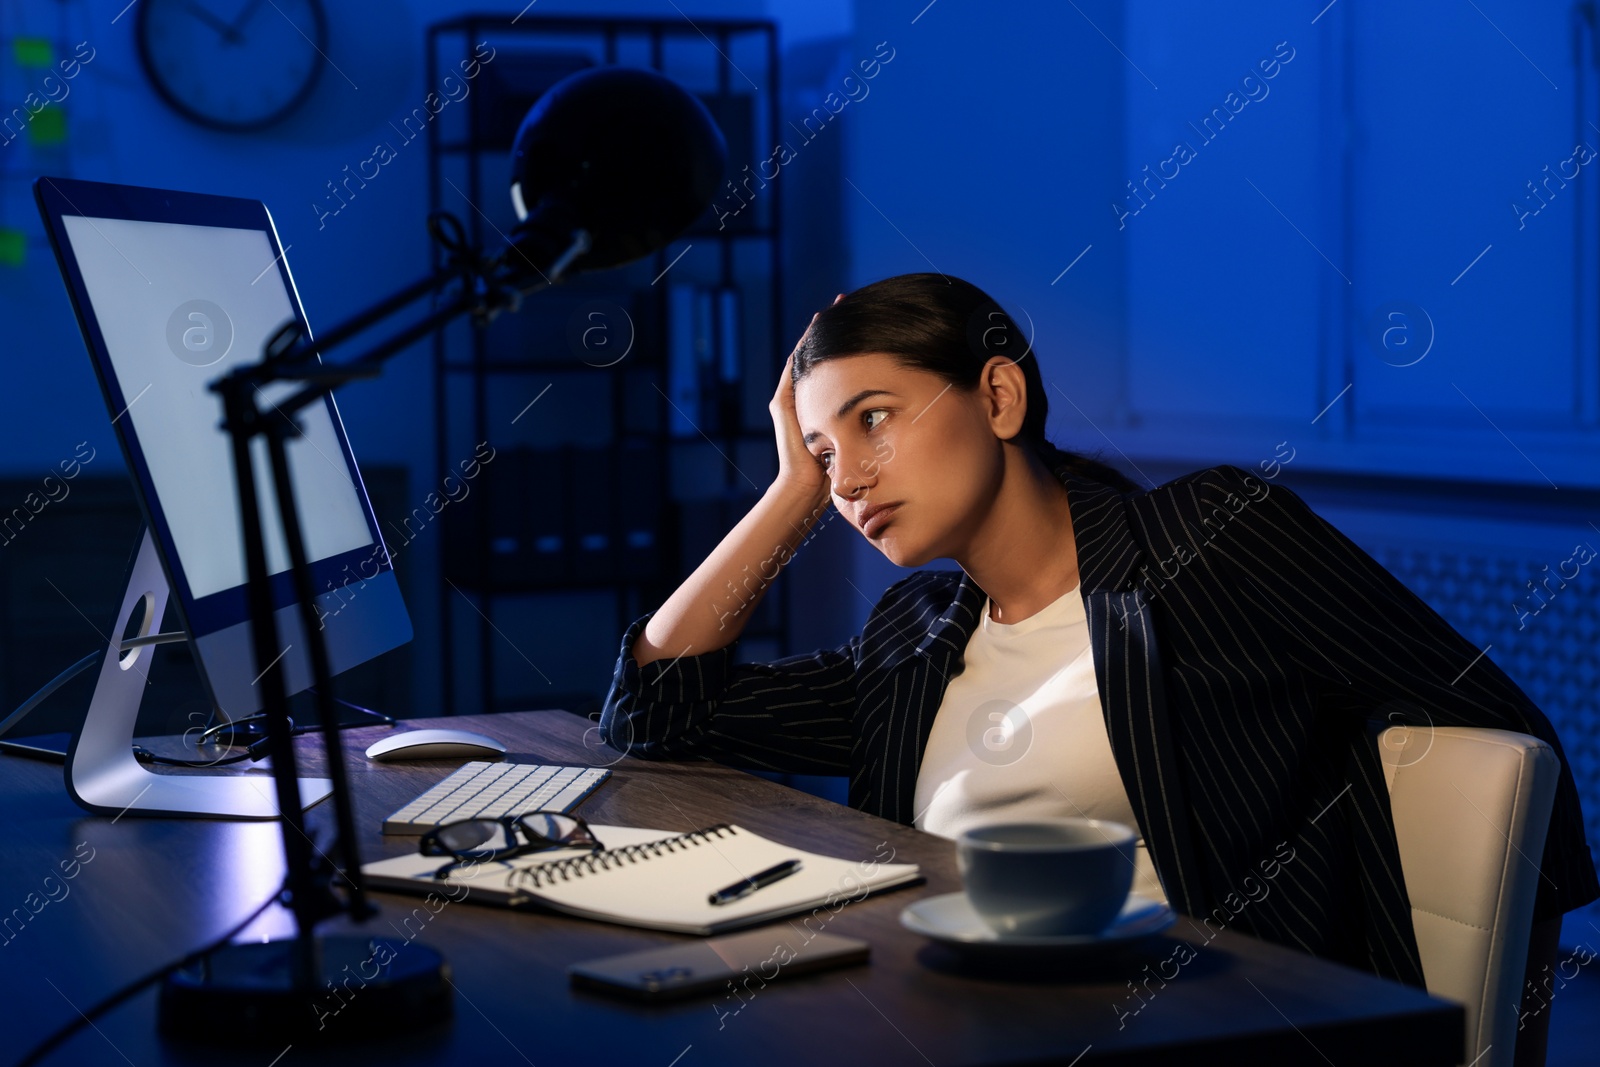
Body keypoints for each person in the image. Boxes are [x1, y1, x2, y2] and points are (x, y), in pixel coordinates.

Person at [598, 273, 1595, 1058]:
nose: (848, 475)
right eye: (822, 450)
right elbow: (657, 711)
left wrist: (1507, 1032)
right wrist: (785, 495)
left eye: (874, 417)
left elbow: (1498, 725)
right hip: (949, 1016)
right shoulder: (917, 630)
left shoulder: (1208, 541)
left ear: (997, 395)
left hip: (1202, 1027)